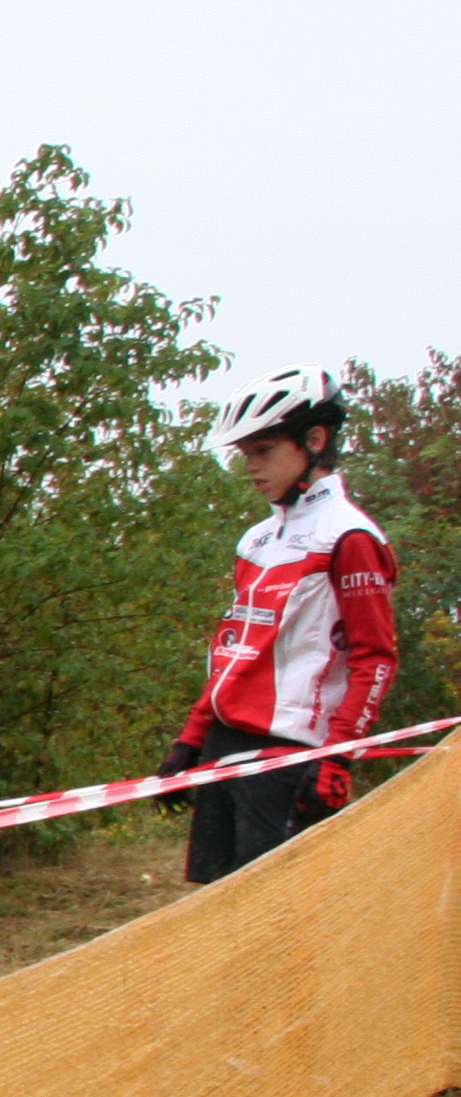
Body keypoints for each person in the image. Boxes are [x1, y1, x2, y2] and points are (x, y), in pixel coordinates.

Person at [160, 366, 397, 885]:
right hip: (226, 741)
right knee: (215, 902)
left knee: (275, 911)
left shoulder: (350, 537)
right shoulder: (257, 540)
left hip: (289, 753)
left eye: (263, 450)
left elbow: (376, 657)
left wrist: (338, 757)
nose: (251, 467)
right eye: (245, 454)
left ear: (315, 440)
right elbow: (235, 652)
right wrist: (190, 741)